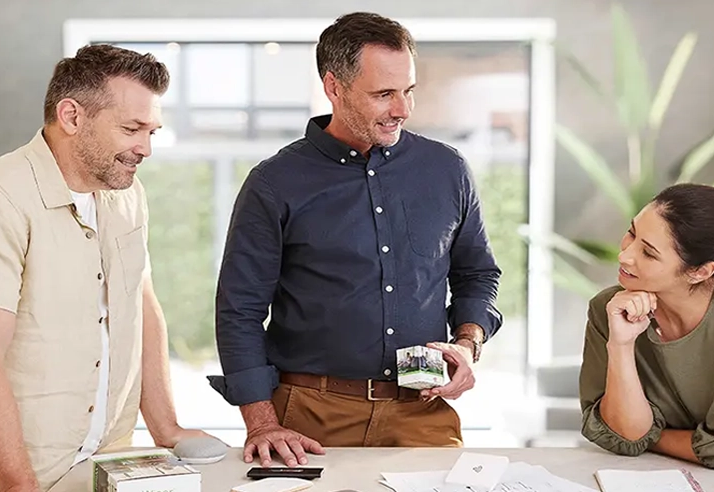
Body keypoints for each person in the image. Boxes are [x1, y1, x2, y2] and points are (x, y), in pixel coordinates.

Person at [209, 11, 502, 468]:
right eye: (384, 94)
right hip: (310, 414)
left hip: (421, 408)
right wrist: (262, 422)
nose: (402, 109)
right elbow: (239, 309)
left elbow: (477, 273)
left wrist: (467, 344)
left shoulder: (447, 170)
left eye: (408, 91)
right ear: (334, 87)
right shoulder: (274, 183)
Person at [0, 44, 212, 492]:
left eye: (151, 131)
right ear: (72, 117)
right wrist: (18, 485)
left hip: (108, 449)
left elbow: (140, 302)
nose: (146, 148)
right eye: (132, 128)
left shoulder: (127, 194)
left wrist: (167, 429)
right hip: (21, 461)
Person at [579, 183, 714, 490]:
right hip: (650, 483)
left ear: (700, 272)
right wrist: (622, 344)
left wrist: (649, 435)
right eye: (632, 233)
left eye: (648, 253)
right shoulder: (611, 309)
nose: (624, 255)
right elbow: (621, 434)